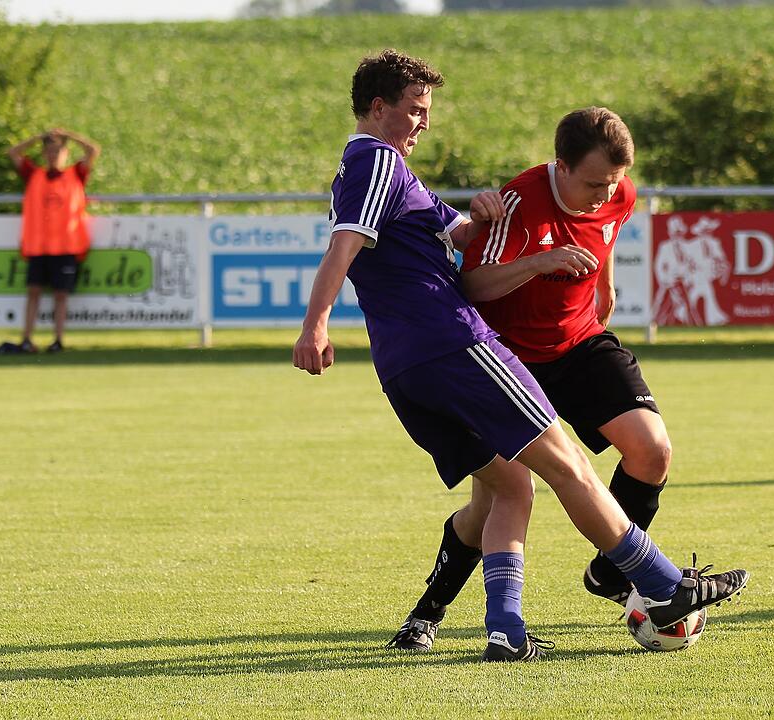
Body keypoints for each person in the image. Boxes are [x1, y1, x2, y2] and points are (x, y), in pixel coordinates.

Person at [293, 52, 748, 662]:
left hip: (404, 368)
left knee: (510, 490)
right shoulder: (375, 158)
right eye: (414, 110)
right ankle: (665, 586)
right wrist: (315, 322)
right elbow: (347, 242)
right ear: (380, 108)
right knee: (571, 469)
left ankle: (504, 631)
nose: (423, 122)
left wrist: (472, 216)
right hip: (454, 342)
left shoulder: (387, 173)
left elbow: (440, 234)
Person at [390, 107, 707, 652]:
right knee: (499, 496)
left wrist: (604, 284)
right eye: (592, 183)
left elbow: (606, 231)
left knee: (652, 449)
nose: (605, 195)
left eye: (612, 183)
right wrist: (540, 262)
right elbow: (474, 286)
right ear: (560, 166)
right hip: (508, 358)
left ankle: (614, 570)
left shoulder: (619, 191)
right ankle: (429, 610)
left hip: (579, 342)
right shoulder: (519, 201)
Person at [0, 127, 101, 354]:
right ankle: (27, 339)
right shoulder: (34, 174)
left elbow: (93, 150)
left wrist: (70, 134)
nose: (53, 156)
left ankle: (58, 340)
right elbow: (13, 153)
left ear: (65, 153)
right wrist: (37, 137)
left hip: (66, 246)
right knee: (33, 292)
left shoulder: (76, 173)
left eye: (57, 151)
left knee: (61, 295)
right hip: (39, 247)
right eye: (49, 151)